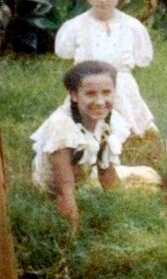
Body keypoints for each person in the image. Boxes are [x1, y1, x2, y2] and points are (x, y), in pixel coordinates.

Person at [55, 0, 157, 138]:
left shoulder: (132, 27)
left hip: (122, 90)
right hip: (89, 89)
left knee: (131, 132)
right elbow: (64, 52)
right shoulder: (75, 26)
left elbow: (143, 59)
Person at [30, 60, 130, 232]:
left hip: (81, 179)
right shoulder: (62, 126)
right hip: (54, 189)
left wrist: (125, 218)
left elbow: (107, 174)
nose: (100, 102)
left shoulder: (108, 118)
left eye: (106, 93)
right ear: (74, 95)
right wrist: (74, 234)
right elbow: (64, 191)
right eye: (90, 94)